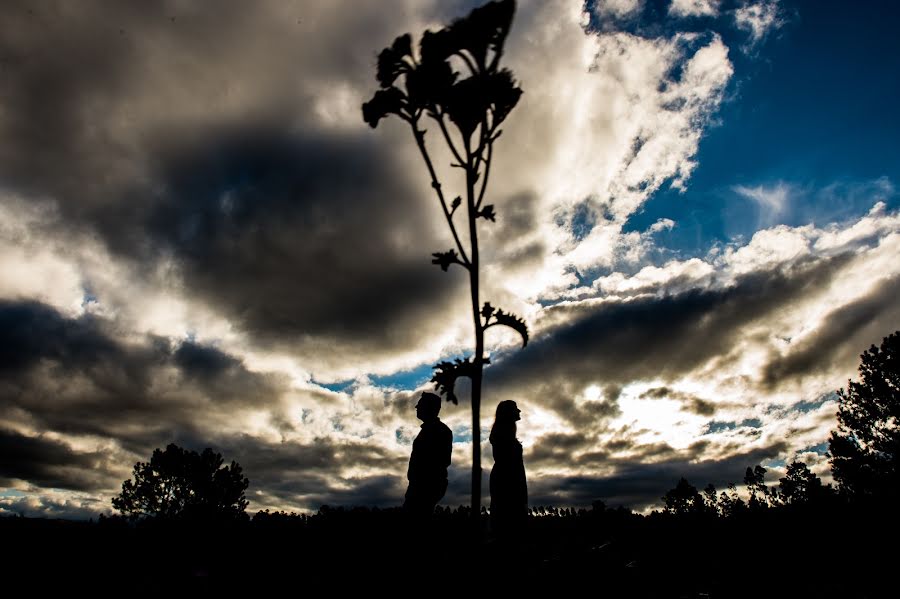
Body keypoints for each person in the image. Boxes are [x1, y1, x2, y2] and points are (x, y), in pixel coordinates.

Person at [403, 392, 453, 517]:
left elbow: (443, 461)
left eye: (420, 404)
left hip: (425, 487)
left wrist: (421, 481)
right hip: (419, 486)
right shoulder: (430, 430)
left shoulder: (440, 431)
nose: (416, 407)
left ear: (429, 407)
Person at [489, 399, 527, 540]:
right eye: (516, 408)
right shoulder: (502, 435)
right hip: (507, 481)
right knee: (508, 521)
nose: (519, 411)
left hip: (510, 478)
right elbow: (505, 461)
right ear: (508, 413)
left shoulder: (507, 434)